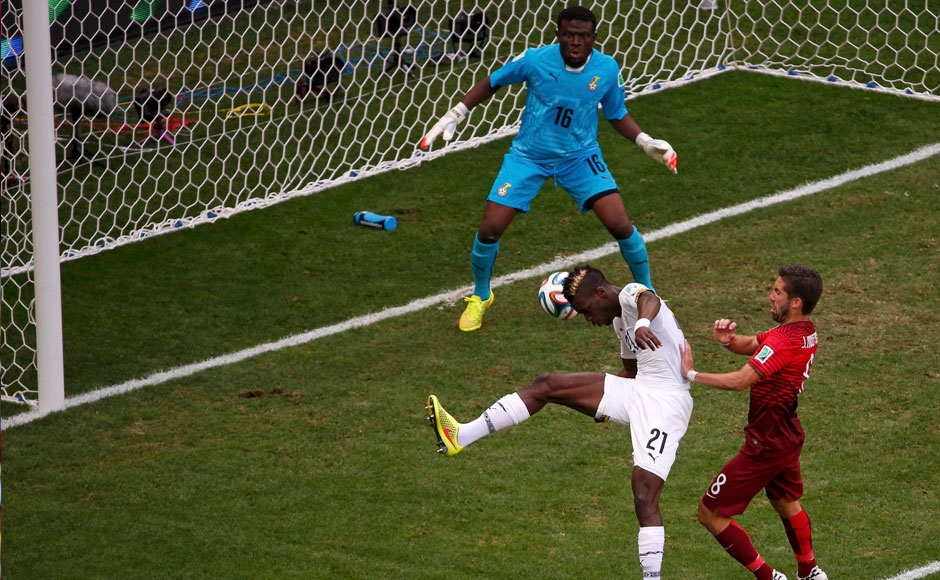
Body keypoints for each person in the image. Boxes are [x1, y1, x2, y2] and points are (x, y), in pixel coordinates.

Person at [419, 6, 677, 332]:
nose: (575, 42)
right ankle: (481, 295)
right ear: (558, 36)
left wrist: (643, 140)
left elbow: (615, 112)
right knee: (490, 229)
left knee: (620, 224)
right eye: (569, 35)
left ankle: (647, 293)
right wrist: (456, 113)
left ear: (594, 38)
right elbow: (493, 81)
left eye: (583, 36)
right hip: (528, 157)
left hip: (579, 157)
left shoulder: (606, 69)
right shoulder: (535, 60)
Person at [426, 265, 693, 579]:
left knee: (643, 491)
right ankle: (459, 435)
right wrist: (597, 401)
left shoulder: (631, 296)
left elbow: (649, 297)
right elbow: (632, 373)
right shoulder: (621, 321)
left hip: (667, 402)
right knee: (548, 384)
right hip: (640, 390)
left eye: (586, 311)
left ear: (601, 293)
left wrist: (644, 323)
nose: (589, 319)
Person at [680, 265, 827, 580]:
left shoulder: (783, 342)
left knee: (709, 513)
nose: (770, 297)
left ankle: (767, 576)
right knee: (786, 501)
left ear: (796, 302)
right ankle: (810, 570)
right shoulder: (804, 331)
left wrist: (690, 375)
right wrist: (727, 341)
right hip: (787, 435)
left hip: (766, 443)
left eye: (777, 292)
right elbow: (750, 344)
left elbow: (739, 381)